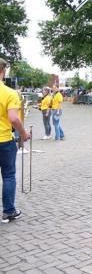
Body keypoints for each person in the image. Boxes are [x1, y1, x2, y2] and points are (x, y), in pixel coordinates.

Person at [0, 58, 30, 223]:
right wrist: (24, 133)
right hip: (4, 140)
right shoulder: (10, 93)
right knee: (9, 175)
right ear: (3, 71)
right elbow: (13, 118)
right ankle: (9, 211)